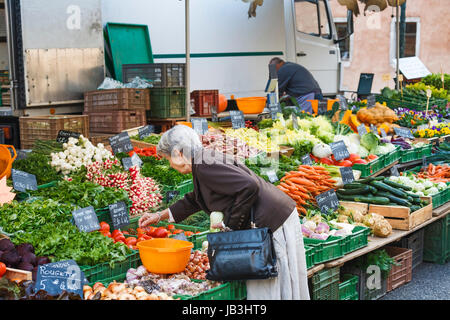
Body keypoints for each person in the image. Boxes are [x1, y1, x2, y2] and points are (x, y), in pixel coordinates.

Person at [138, 125, 310, 300]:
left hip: (272, 221)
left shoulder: (203, 164)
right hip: (277, 216)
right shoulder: (203, 160)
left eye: (168, 159)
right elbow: (196, 198)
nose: (170, 164)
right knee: (280, 285)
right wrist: (160, 215)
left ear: (178, 153)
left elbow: (249, 186)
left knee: (267, 289)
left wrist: (231, 227)